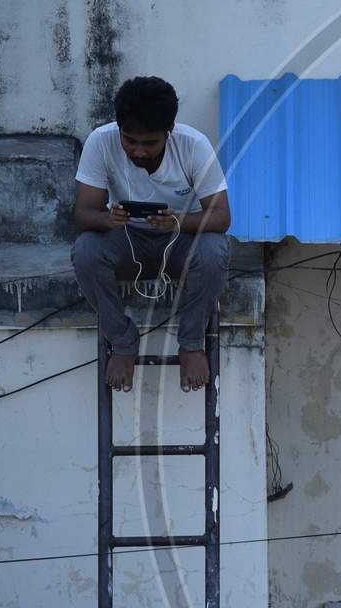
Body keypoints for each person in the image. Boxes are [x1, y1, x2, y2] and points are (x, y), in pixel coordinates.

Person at [71, 76, 232, 392]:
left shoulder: (194, 145)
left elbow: (222, 217)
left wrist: (177, 223)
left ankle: (191, 344)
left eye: (149, 143)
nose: (138, 151)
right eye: (129, 140)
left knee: (215, 251)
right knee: (86, 251)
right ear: (118, 128)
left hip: (179, 243)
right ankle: (122, 341)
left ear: (168, 132)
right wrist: (108, 219)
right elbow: (83, 213)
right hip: (126, 240)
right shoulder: (100, 141)